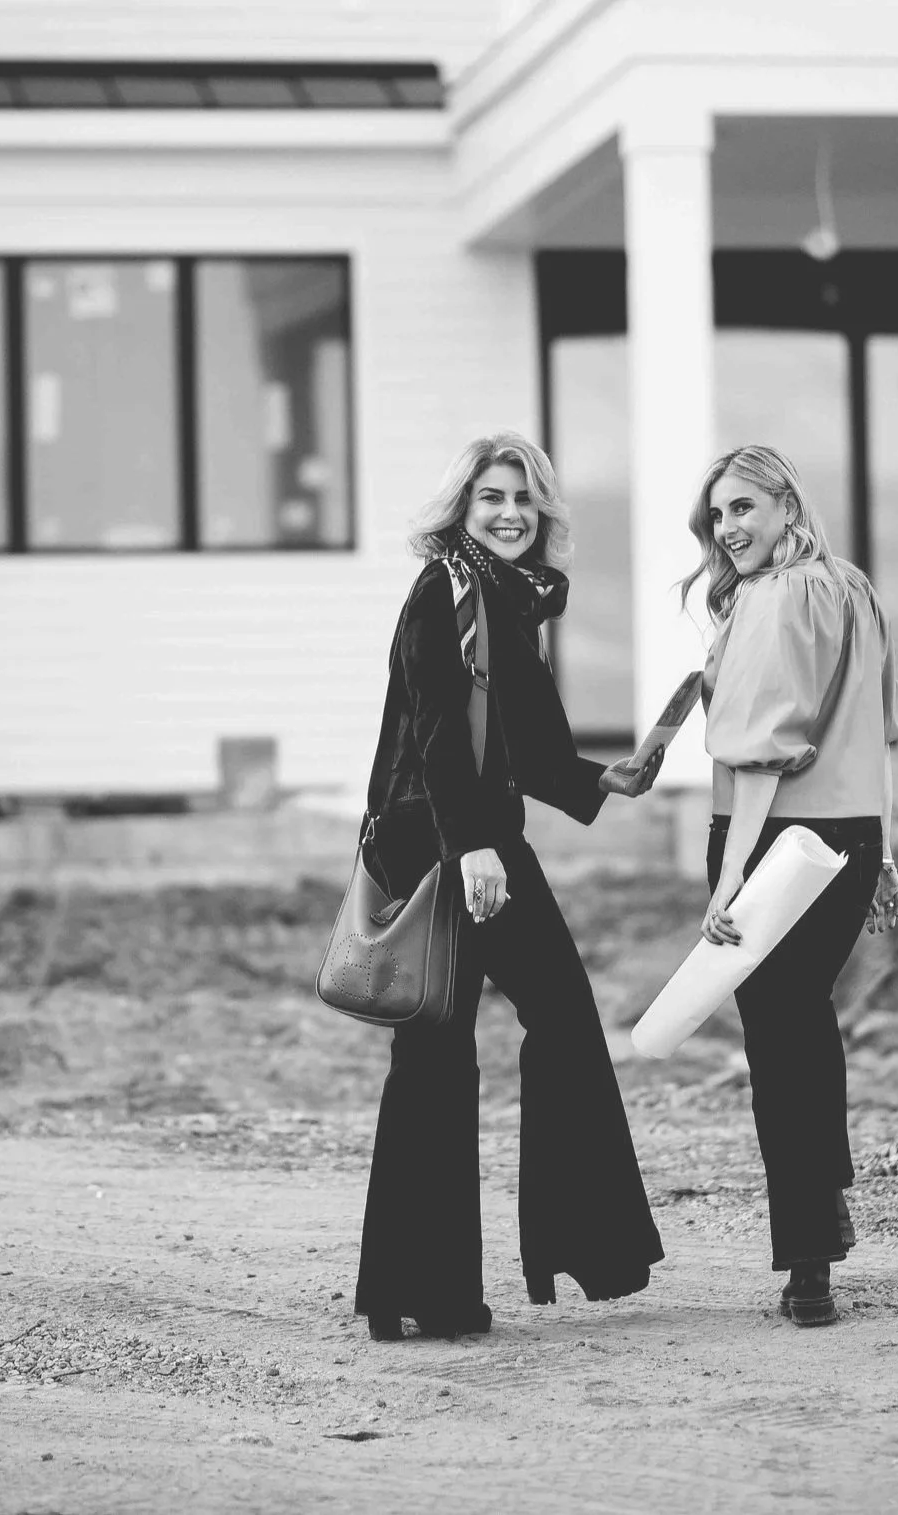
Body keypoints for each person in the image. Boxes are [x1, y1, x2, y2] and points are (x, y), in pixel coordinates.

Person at [353, 432, 668, 1341]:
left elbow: (517, 737)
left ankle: (421, 1292)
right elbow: (440, 732)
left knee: (447, 1054)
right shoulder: (446, 590)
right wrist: (473, 849)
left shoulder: (500, 597)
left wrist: (596, 779)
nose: (510, 512)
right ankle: (536, 1258)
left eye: (524, 498)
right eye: (492, 495)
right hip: (446, 847)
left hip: (467, 838)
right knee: (513, 1030)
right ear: (462, 507)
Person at [684, 443, 898, 1327]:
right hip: (849, 844)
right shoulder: (854, 588)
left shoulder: (774, 597)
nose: (726, 528)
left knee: (778, 1048)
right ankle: (824, 1207)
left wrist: (732, 872)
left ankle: (810, 1257)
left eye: (743, 508)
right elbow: (875, 735)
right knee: (805, 1022)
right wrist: (885, 854)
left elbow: (761, 751)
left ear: (786, 504)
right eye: (717, 514)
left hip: (774, 844)